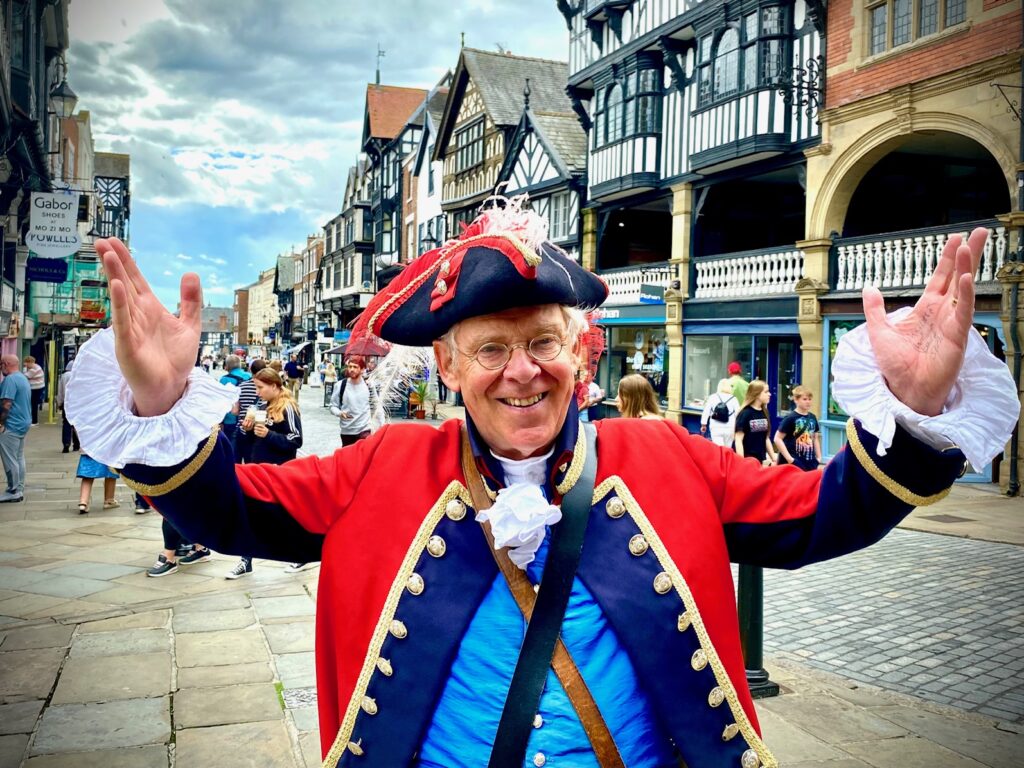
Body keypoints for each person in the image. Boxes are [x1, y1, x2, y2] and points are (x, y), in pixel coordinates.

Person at [70, 210, 1017, 768]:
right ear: (446, 364)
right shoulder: (379, 469)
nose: (520, 372)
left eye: (541, 343)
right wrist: (157, 409)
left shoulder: (668, 456)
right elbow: (227, 508)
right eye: (490, 348)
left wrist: (913, 403)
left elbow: (827, 512)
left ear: (580, 353)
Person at [229, 367, 304, 579]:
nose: (258, 392)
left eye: (260, 387)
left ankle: (299, 554)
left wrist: (269, 434)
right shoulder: (261, 405)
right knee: (250, 514)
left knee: (285, 515)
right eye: (256, 387)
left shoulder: (288, 407)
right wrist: (246, 429)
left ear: (274, 386)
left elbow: (295, 440)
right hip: (257, 469)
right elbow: (248, 440)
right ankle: (246, 560)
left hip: (279, 471)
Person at [0, 355, 32, 503]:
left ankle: (13, 490)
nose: (1, 368)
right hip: (23, 423)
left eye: (1, 364)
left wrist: (0, 422)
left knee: (10, 459)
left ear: (6, 364)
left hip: (11, 425)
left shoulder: (10, 380)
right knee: (19, 457)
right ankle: (19, 488)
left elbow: (6, 404)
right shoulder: (22, 378)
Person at [774, 385, 823, 471]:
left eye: (809, 399)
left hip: (809, 460)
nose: (808, 402)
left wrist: (819, 457)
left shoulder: (813, 417)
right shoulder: (790, 418)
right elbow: (777, 438)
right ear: (796, 400)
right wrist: (790, 459)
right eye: (804, 399)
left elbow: (815, 438)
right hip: (794, 459)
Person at [330, 355, 375, 446]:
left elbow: (376, 405)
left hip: (364, 429)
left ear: (362, 369)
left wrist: (380, 426)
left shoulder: (369, 386)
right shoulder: (340, 385)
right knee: (348, 459)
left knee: (363, 457)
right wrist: (339, 413)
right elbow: (332, 406)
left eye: (355, 367)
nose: (352, 369)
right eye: (350, 366)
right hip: (347, 430)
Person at [734, 380, 778, 467]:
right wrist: (741, 462)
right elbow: (738, 439)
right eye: (766, 392)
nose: (769, 394)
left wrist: (773, 457)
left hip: (760, 460)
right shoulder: (745, 413)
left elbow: (766, 438)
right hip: (748, 460)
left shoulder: (764, 412)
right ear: (757, 394)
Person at [219, 354, 250, 446]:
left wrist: (220, 421)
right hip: (248, 419)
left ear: (227, 365)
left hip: (230, 419)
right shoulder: (250, 376)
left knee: (232, 448)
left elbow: (220, 401)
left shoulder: (224, 379)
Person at [700, 378, 739, 448]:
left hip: (716, 427)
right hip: (730, 427)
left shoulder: (713, 397)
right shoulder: (734, 399)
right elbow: (738, 414)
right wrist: (737, 428)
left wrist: (703, 424)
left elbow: (706, 411)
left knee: (718, 449)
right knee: (727, 450)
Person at [56, 359, 80, 453]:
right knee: (77, 424)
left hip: (67, 402)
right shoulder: (80, 375)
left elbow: (60, 390)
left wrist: (60, 402)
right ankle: (76, 445)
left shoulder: (64, 376)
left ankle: (66, 444)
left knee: (66, 423)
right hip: (78, 403)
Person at [23, 355, 45, 425]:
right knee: (32, 404)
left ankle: (34, 421)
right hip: (34, 387)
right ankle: (32, 420)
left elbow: (25, 376)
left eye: (26, 363)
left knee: (33, 404)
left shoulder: (35, 369)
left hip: (36, 388)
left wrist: (24, 370)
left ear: (30, 362)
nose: (25, 364)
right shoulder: (32, 367)